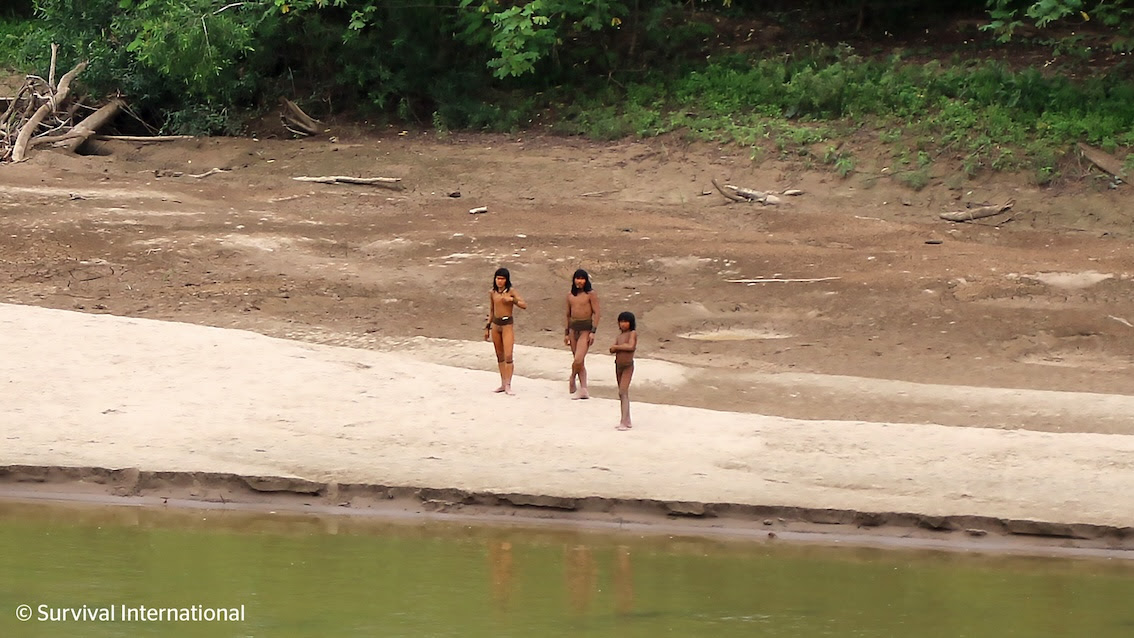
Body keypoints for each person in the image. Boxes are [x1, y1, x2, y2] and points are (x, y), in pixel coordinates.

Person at [485, 267, 527, 394]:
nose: (500, 281)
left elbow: (524, 305)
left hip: (507, 325)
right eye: (498, 278)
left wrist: (512, 300)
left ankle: (508, 384)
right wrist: (487, 327)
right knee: (500, 356)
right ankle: (503, 383)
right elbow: (492, 310)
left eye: (502, 279)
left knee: (508, 355)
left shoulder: (511, 291)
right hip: (496, 325)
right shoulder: (493, 292)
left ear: (506, 280)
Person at [564, 268, 599, 399]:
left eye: (582, 279)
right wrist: (566, 333)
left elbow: (597, 313)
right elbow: (567, 314)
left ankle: (572, 377)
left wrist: (593, 331)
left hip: (586, 329)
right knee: (579, 361)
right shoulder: (570, 295)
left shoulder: (591, 294)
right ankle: (583, 388)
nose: (580, 281)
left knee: (578, 358)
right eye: (577, 278)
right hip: (573, 329)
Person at [609, 311, 637, 430]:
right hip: (618, 365)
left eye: (626, 321)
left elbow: (631, 346)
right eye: (621, 321)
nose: (623, 324)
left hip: (628, 366)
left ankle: (623, 421)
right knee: (622, 394)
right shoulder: (619, 336)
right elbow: (612, 348)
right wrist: (614, 348)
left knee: (622, 391)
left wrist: (617, 347)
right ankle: (627, 418)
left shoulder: (632, 333)